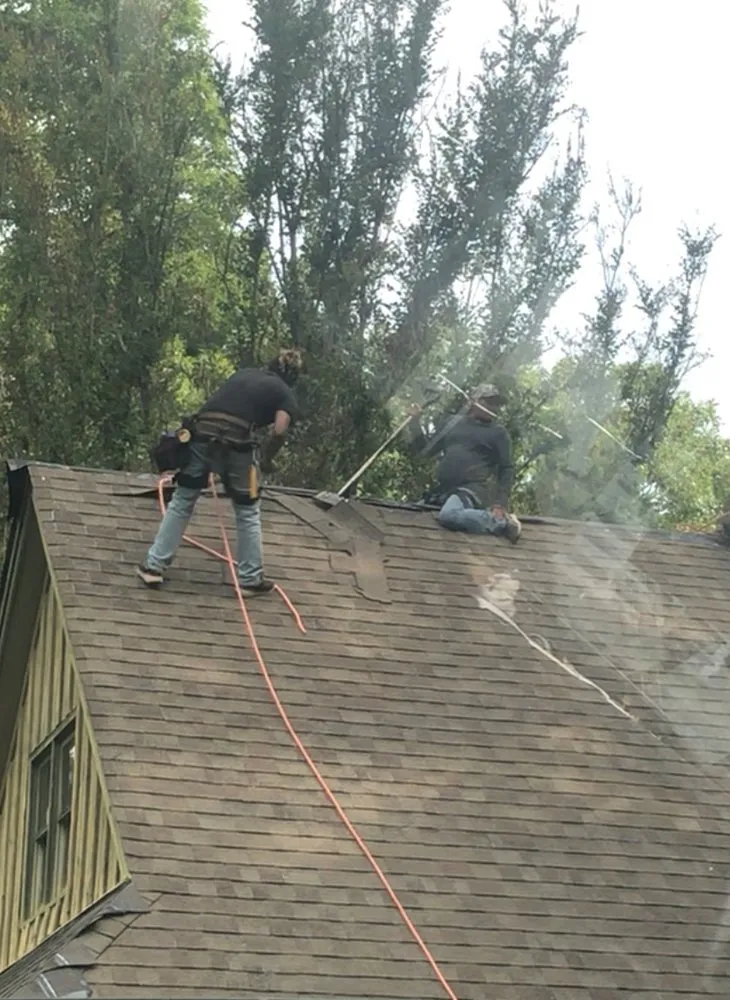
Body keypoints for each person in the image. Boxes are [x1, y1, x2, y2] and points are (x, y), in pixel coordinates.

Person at [137, 348, 303, 594]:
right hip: (239, 445)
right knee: (247, 510)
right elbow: (279, 430)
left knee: (183, 499)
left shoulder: (243, 374)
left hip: (201, 436)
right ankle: (250, 578)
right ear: (292, 378)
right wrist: (268, 459)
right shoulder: (284, 392)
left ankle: (153, 567)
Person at [408, 382, 521, 543]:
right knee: (408, 514)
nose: (494, 407)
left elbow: (507, 469)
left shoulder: (498, 433)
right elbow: (426, 450)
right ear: (473, 401)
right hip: (442, 492)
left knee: (449, 515)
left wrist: (500, 504)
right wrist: (414, 422)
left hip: (471, 491)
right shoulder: (452, 423)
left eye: (496, 404)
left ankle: (500, 522)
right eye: (488, 401)